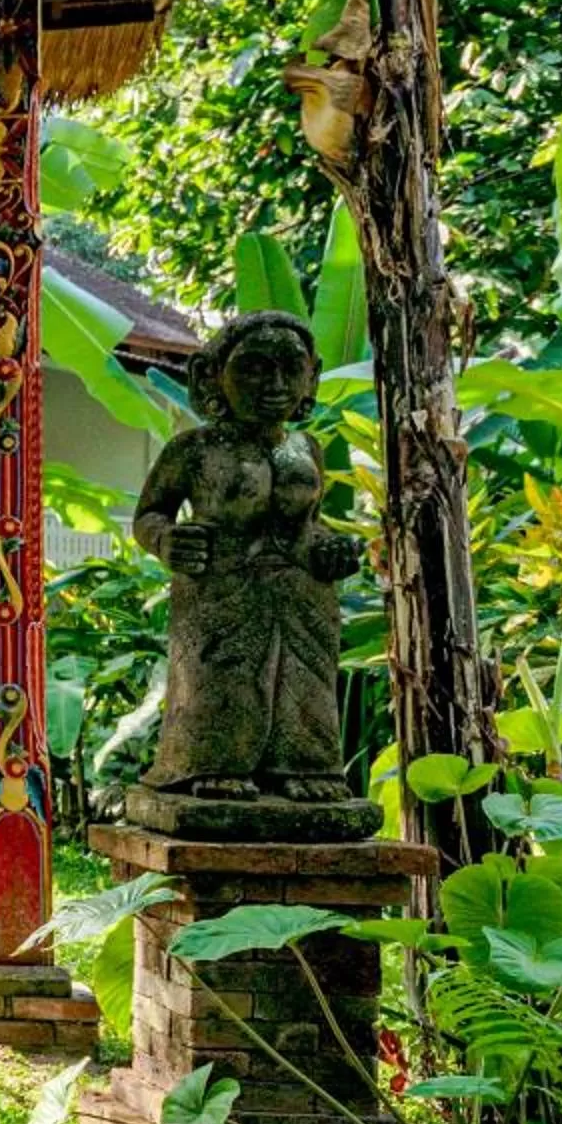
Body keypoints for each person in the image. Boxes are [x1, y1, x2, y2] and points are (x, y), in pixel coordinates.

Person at [131, 311, 359, 803]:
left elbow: (310, 521)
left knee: (305, 678)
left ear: (311, 376)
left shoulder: (307, 448)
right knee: (223, 677)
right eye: (254, 368)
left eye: (290, 368)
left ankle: (305, 767)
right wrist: (167, 541)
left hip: (301, 591)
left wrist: (330, 546)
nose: (274, 384)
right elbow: (150, 515)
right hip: (222, 587)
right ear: (214, 375)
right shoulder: (195, 448)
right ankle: (212, 763)